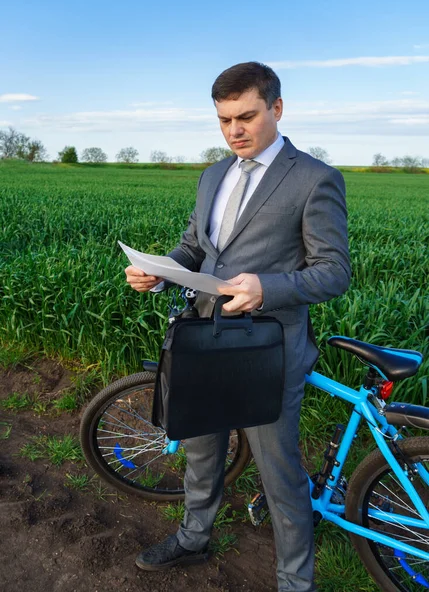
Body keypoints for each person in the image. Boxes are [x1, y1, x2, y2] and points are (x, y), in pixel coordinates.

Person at [125, 61, 350, 591]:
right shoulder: (213, 175)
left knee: (280, 475)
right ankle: (193, 538)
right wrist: (159, 271)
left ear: (276, 108)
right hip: (205, 339)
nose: (234, 131)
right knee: (201, 451)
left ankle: (296, 582)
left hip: (267, 350)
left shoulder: (315, 178)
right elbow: (196, 246)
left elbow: (334, 272)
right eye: (224, 120)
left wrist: (265, 288)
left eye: (246, 116)